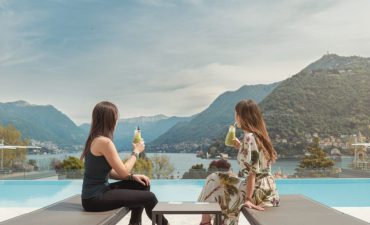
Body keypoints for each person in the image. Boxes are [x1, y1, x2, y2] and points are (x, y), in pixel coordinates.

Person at [80, 101, 169, 225]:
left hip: (99, 192)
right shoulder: (104, 142)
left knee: (143, 185)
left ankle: (134, 223)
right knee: (150, 198)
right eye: (116, 118)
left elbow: (109, 172)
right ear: (110, 120)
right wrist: (136, 152)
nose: (117, 121)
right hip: (94, 199)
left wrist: (132, 177)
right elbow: (123, 172)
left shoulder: (94, 139)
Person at [198, 99, 280, 225]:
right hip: (269, 190)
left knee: (213, 179)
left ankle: (206, 222)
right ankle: (209, 222)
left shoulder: (249, 138)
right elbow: (257, 162)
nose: (235, 117)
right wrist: (241, 147)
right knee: (218, 181)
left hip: (256, 191)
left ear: (242, 117)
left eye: (236, 114)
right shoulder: (258, 136)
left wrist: (248, 199)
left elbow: (252, 172)